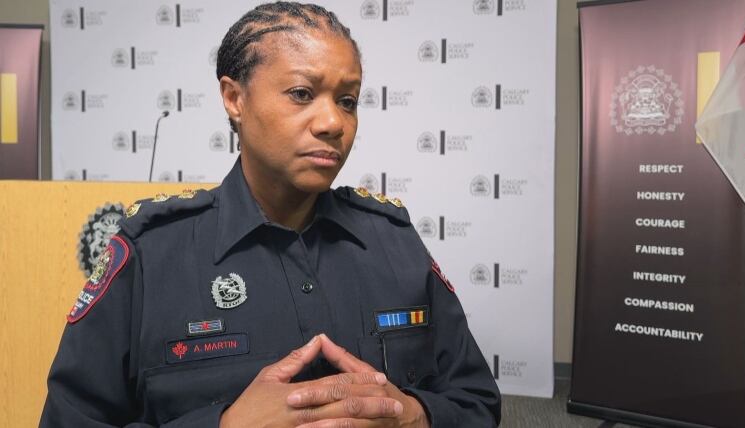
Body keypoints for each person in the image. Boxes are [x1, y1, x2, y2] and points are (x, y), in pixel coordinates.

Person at [40, 2, 501, 427]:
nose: (333, 123)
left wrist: (414, 415)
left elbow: (478, 401)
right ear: (234, 99)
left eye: (347, 100)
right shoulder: (151, 254)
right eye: (302, 93)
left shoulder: (394, 240)